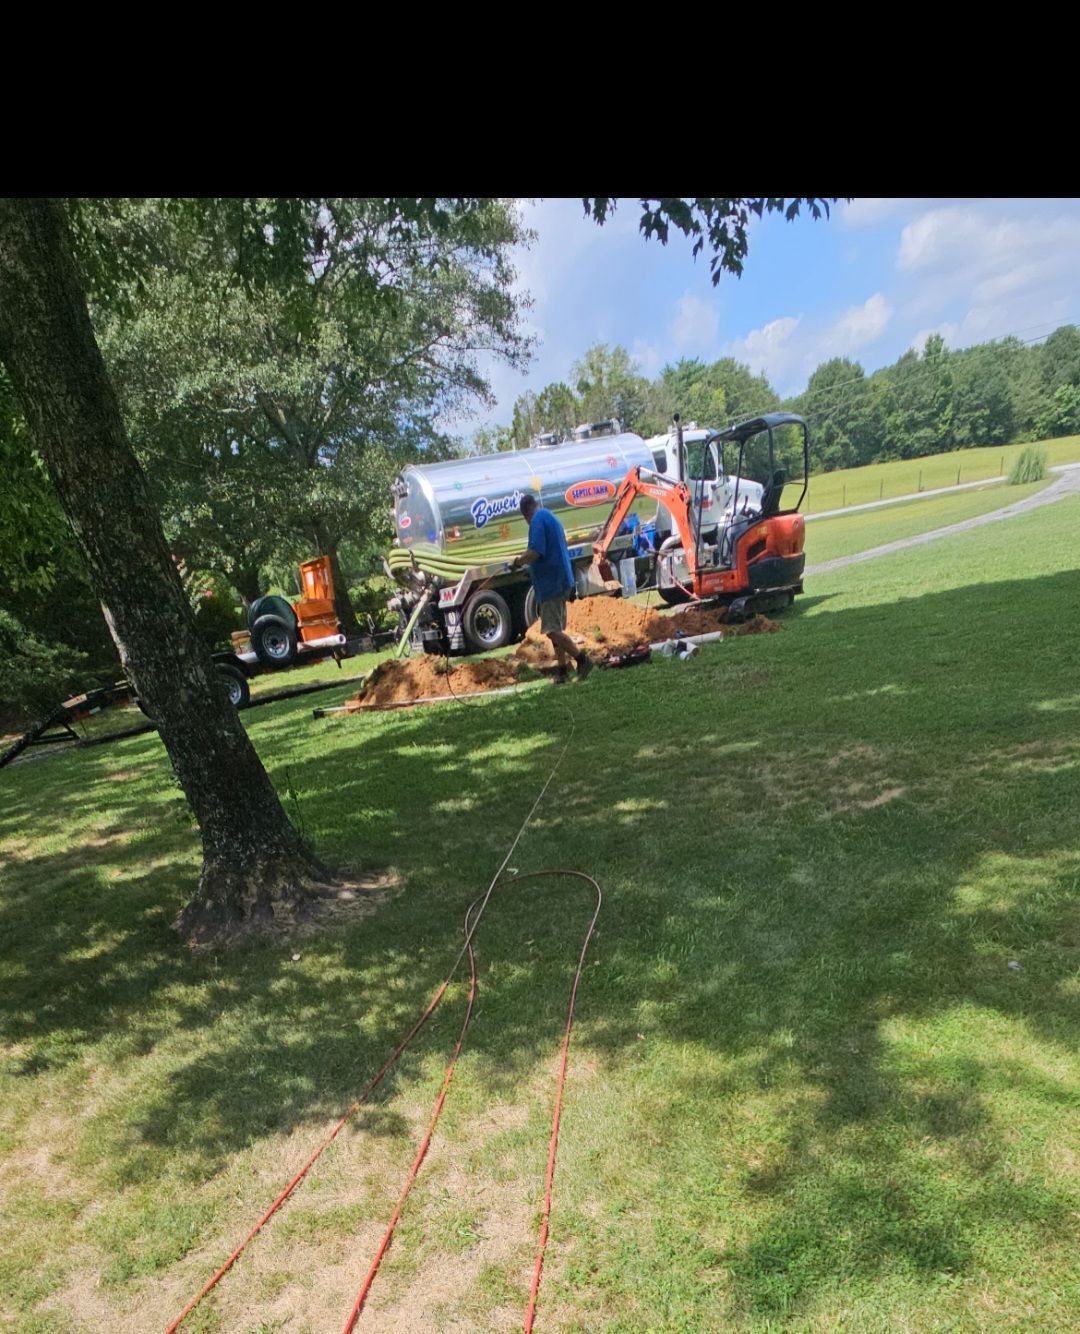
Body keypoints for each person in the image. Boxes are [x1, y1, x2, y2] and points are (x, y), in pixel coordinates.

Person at [510, 494, 593, 685]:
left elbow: (535, 552)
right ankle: (562, 672)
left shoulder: (537, 521)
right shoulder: (549, 516)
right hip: (560, 579)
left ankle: (582, 660)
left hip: (552, 584)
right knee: (557, 630)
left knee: (552, 631)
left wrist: (517, 562)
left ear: (525, 514)